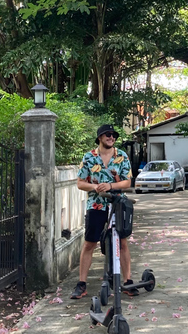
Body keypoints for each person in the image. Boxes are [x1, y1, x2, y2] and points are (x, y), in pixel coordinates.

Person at [70, 124, 135, 299]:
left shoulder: (121, 156)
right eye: (107, 135)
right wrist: (95, 187)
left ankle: (128, 281)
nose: (111, 137)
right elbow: (80, 183)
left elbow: (127, 182)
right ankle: (82, 284)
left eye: (114, 135)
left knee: (122, 242)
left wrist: (111, 186)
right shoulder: (89, 157)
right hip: (96, 204)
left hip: (117, 204)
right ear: (100, 137)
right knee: (90, 243)